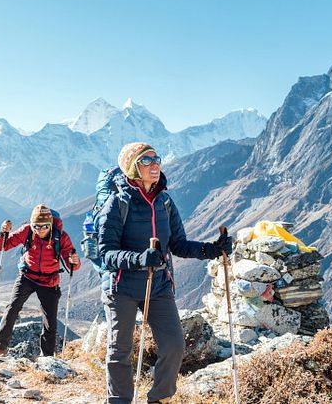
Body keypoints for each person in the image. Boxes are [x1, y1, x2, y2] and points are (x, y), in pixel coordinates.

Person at [97, 142, 232, 404]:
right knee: (119, 351)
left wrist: (211, 250)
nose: (155, 164)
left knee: (174, 345)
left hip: (157, 285)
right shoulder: (117, 203)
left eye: (156, 159)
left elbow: (178, 244)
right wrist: (139, 259)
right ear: (132, 168)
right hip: (121, 288)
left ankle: (158, 398)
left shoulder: (165, 201)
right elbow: (107, 254)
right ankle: (119, 400)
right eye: (146, 161)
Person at [0, 204, 81, 356]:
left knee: (50, 321)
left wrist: (74, 261)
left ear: (51, 224)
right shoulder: (26, 231)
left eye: (45, 226)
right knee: (12, 308)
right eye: (36, 226)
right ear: (31, 224)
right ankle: (0, 347)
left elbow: (73, 265)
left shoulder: (61, 236)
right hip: (27, 275)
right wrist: (3, 233)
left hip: (49, 281)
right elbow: (2, 246)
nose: (40, 230)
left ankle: (47, 356)